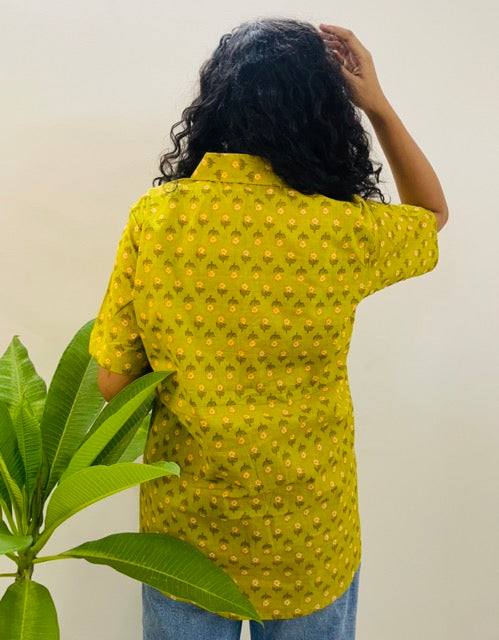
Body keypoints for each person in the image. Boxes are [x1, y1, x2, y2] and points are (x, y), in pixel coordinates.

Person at [89, 17, 448, 640]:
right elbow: (430, 215)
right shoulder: (341, 229)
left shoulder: (157, 221)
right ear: (323, 116)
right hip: (308, 532)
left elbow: (114, 383)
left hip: (189, 534)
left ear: (214, 107)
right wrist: (379, 105)